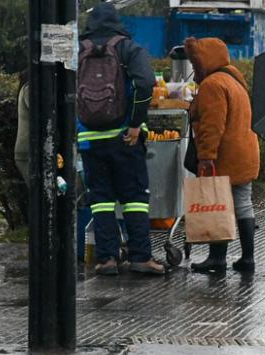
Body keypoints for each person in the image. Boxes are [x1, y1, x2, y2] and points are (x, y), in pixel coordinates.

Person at [77, 4, 164, 275]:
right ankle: (140, 257)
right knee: (134, 197)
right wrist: (136, 123)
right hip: (124, 136)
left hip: (89, 138)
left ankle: (107, 260)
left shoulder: (79, 50)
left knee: (100, 199)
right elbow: (145, 82)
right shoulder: (127, 48)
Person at [184, 37, 260, 274]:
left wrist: (206, 156)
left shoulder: (213, 85)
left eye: (196, 62)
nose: (194, 67)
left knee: (218, 204)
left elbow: (212, 125)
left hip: (225, 156)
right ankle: (248, 258)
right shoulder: (234, 79)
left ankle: (217, 258)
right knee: (242, 205)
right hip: (245, 153)